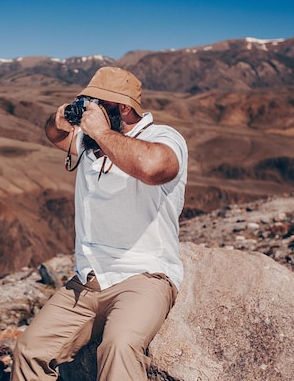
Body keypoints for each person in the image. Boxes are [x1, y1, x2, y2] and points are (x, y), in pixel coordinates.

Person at [11, 66, 188, 381]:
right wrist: (61, 119)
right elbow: (54, 135)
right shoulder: (91, 145)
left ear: (122, 108)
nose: (89, 111)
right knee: (29, 349)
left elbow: (154, 168)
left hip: (144, 277)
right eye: (85, 103)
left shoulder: (162, 138)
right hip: (88, 279)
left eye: (97, 104)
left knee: (120, 346)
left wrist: (103, 133)